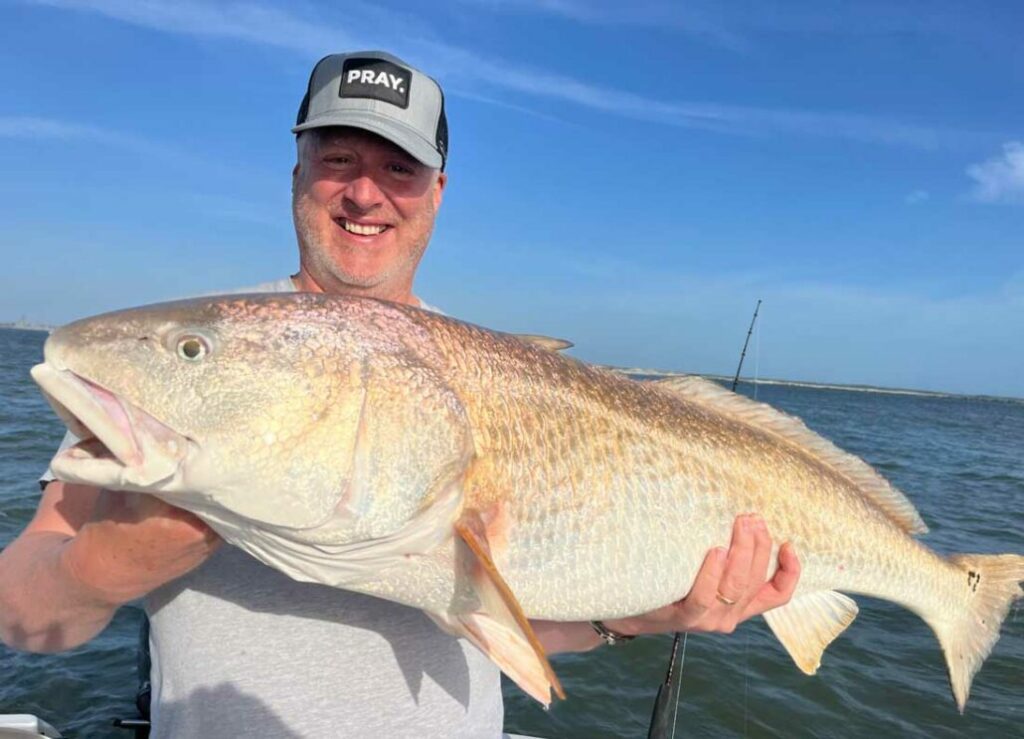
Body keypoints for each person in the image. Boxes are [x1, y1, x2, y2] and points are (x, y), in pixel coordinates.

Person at [0, 51, 800, 737]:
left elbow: (512, 610)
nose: (364, 193)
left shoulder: (492, 371)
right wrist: (101, 570)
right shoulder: (192, 379)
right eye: (338, 158)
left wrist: (643, 615)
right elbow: (22, 610)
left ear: (438, 192)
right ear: (298, 173)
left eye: (398, 169)